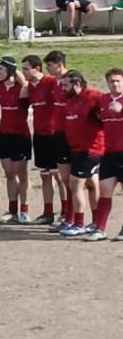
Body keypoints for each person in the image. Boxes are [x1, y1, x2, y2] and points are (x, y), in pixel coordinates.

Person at [59, 70, 105, 237]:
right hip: (76, 149)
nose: (62, 88)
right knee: (92, 185)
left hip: (91, 149)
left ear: (77, 84)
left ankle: (78, 224)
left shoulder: (93, 96)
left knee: (75, 184)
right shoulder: (70, 100)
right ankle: (96, 222)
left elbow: (107, 110)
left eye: (65, 85)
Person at [29, 51, 68, 225]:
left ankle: (66, 213)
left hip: (56, 134)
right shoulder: (44, 84)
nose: (47, 69)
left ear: (59, 64)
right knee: (45, 175)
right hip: (40, 135)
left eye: (49, 65)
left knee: (60, 177)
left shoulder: (62, 82)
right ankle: (48, 212)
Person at [0, 58, 32, 224]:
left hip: (20, 136)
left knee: (22, 174)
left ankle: (24, 210)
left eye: (1, 69)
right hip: (4, 135)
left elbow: (26, 89)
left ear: (9, 71)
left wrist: (19, 76)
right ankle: (12, 210)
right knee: (9, 173)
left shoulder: (22, 88)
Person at [94, 69, 123, 241]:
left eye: (118, 81)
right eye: (112, 81)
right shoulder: (102, 100)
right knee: (104, 190)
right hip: (108, 153)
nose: (115, 84)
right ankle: (100, 229)